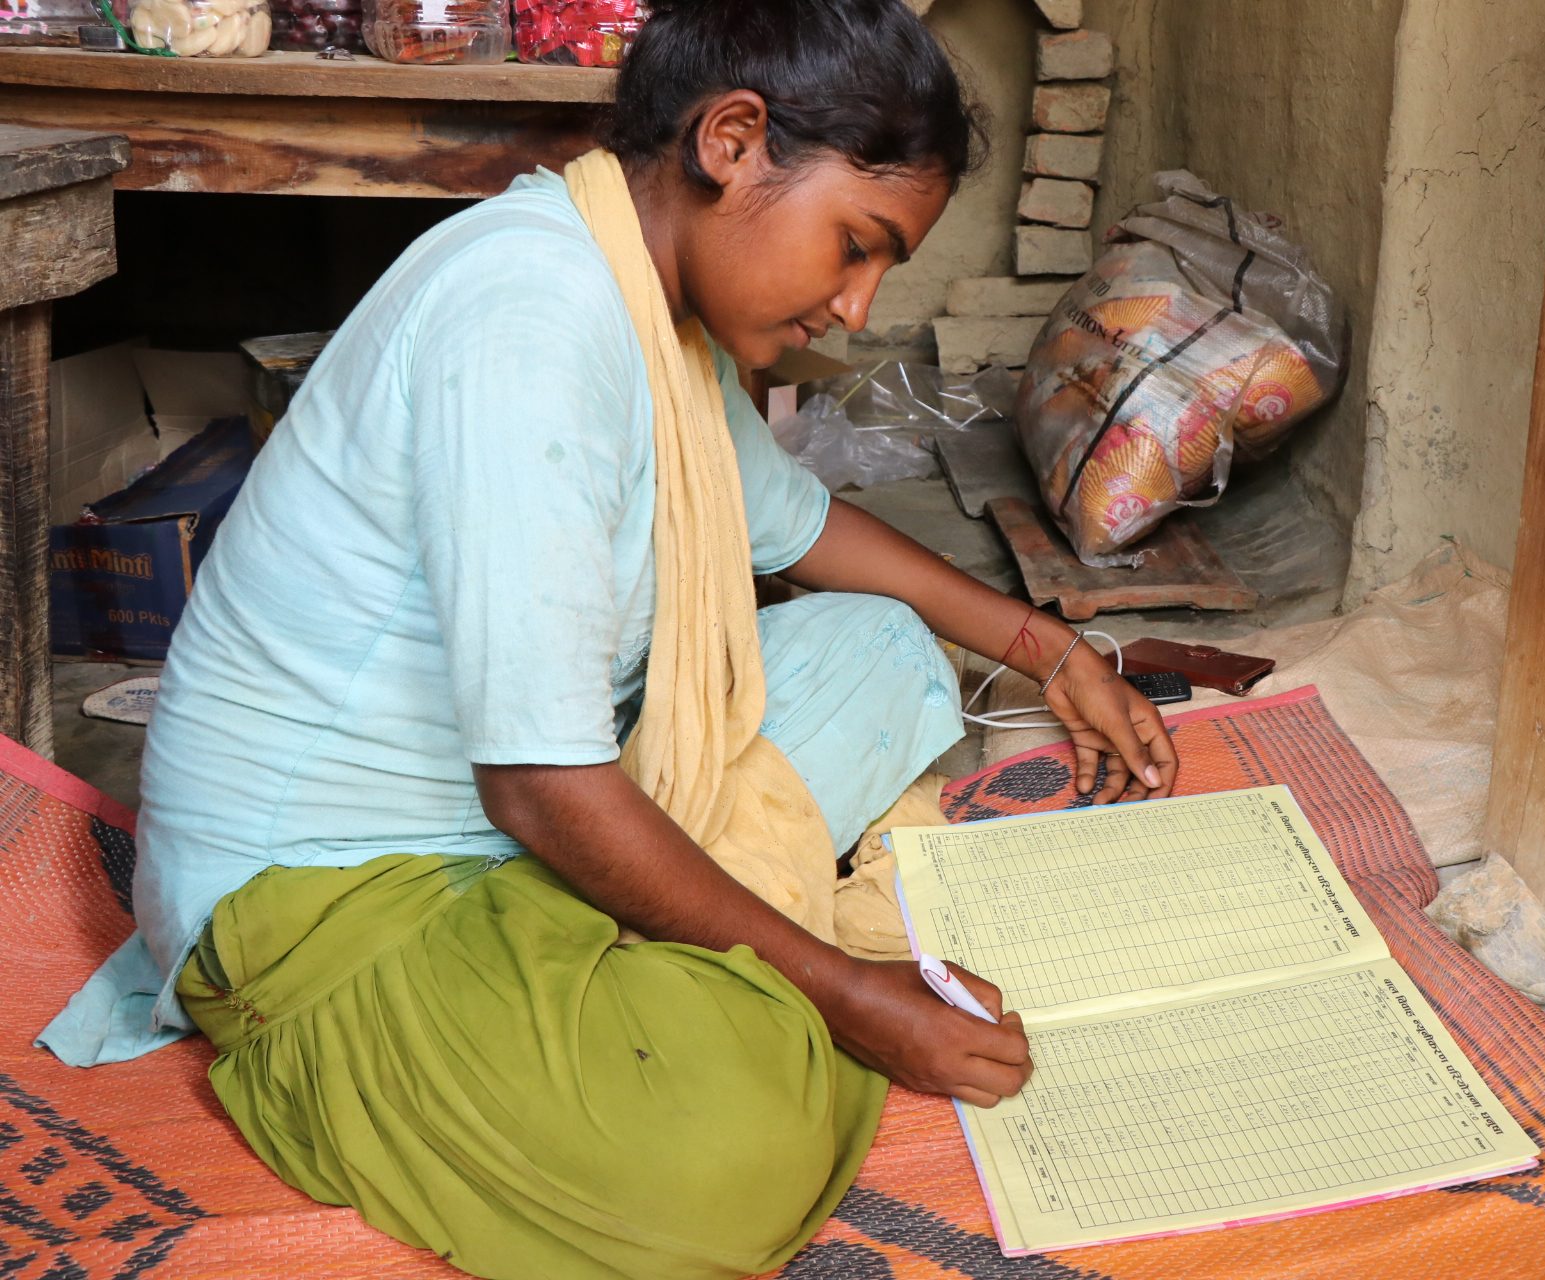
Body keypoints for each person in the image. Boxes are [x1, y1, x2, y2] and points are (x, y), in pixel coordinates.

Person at [38, 2, 1180, 1276]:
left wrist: (1052, 652)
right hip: (329, 890)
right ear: (734, 143)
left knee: (886, 653)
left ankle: (654, 945)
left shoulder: (641, 297)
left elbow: (803, 532)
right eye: (856, 247)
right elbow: (537, 780)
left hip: (525, 804)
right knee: (714, 1157)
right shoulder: (532, 320)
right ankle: (688, 972)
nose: (857, 307)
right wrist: (847, 994)